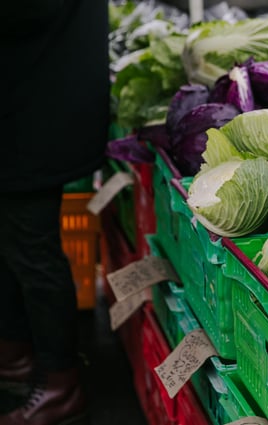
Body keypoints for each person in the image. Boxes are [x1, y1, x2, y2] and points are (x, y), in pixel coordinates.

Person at [0, 0, 109, 424]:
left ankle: (60, 384)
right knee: (13, 242)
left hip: (37, 112)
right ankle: (14, 354)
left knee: (32, 249)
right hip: (35, 100)